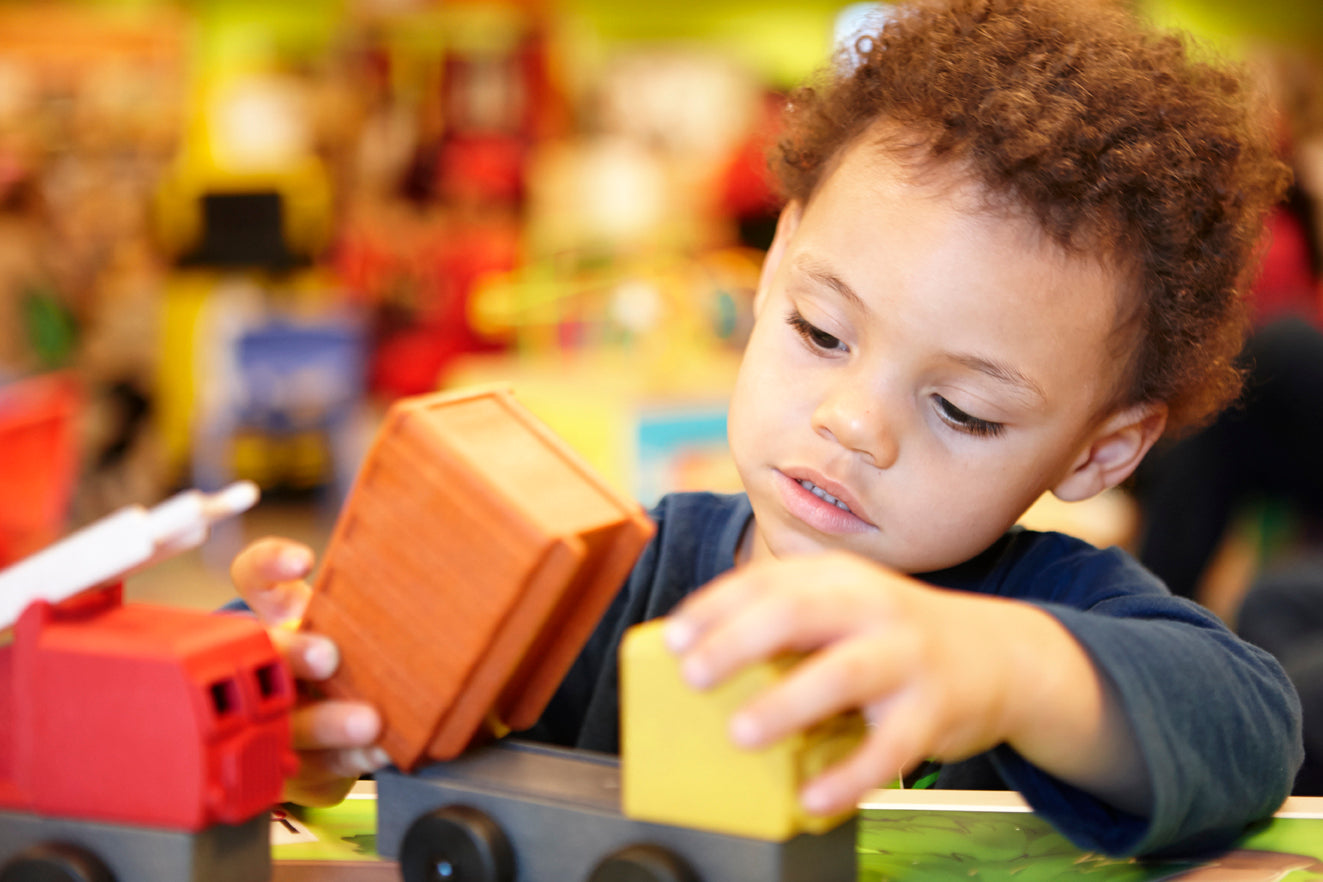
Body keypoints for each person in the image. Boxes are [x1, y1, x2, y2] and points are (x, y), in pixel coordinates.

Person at [230, 0, 1303, 859]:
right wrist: (306, 698)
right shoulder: (606, 577)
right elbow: (295, 655)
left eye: (962, 409)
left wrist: (1003, 670)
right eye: (822, 331)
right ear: (776, 262)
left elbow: (1250, 731)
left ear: (1101, 451)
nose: (852, 422)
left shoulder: (1047, 609)